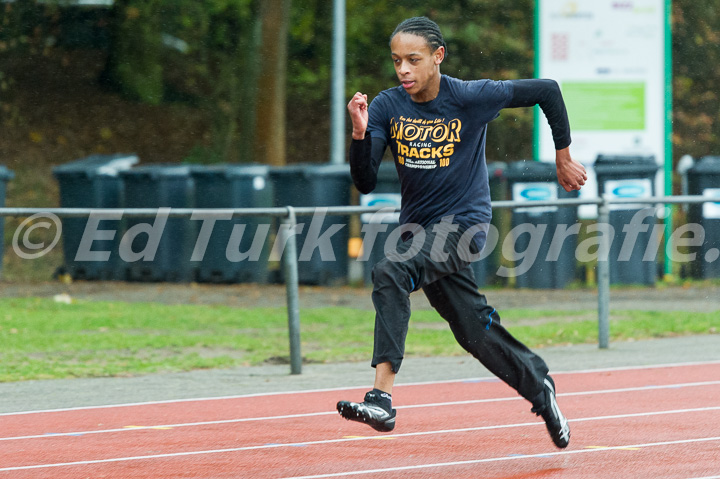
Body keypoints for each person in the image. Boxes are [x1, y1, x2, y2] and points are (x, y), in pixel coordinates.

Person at [336, 16, 587, 449]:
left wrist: (563, 157)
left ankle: (382, 398)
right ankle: (539, 386)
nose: (403, 71)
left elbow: (547, 89)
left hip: (465, 226)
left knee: (390, 270)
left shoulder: (471, 96)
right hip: (418, 234)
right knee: (474, 331)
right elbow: (365, 181)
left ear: (438, 57)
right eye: (397, 61)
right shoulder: (385, 107)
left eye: (413, 60)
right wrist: (359, 134)